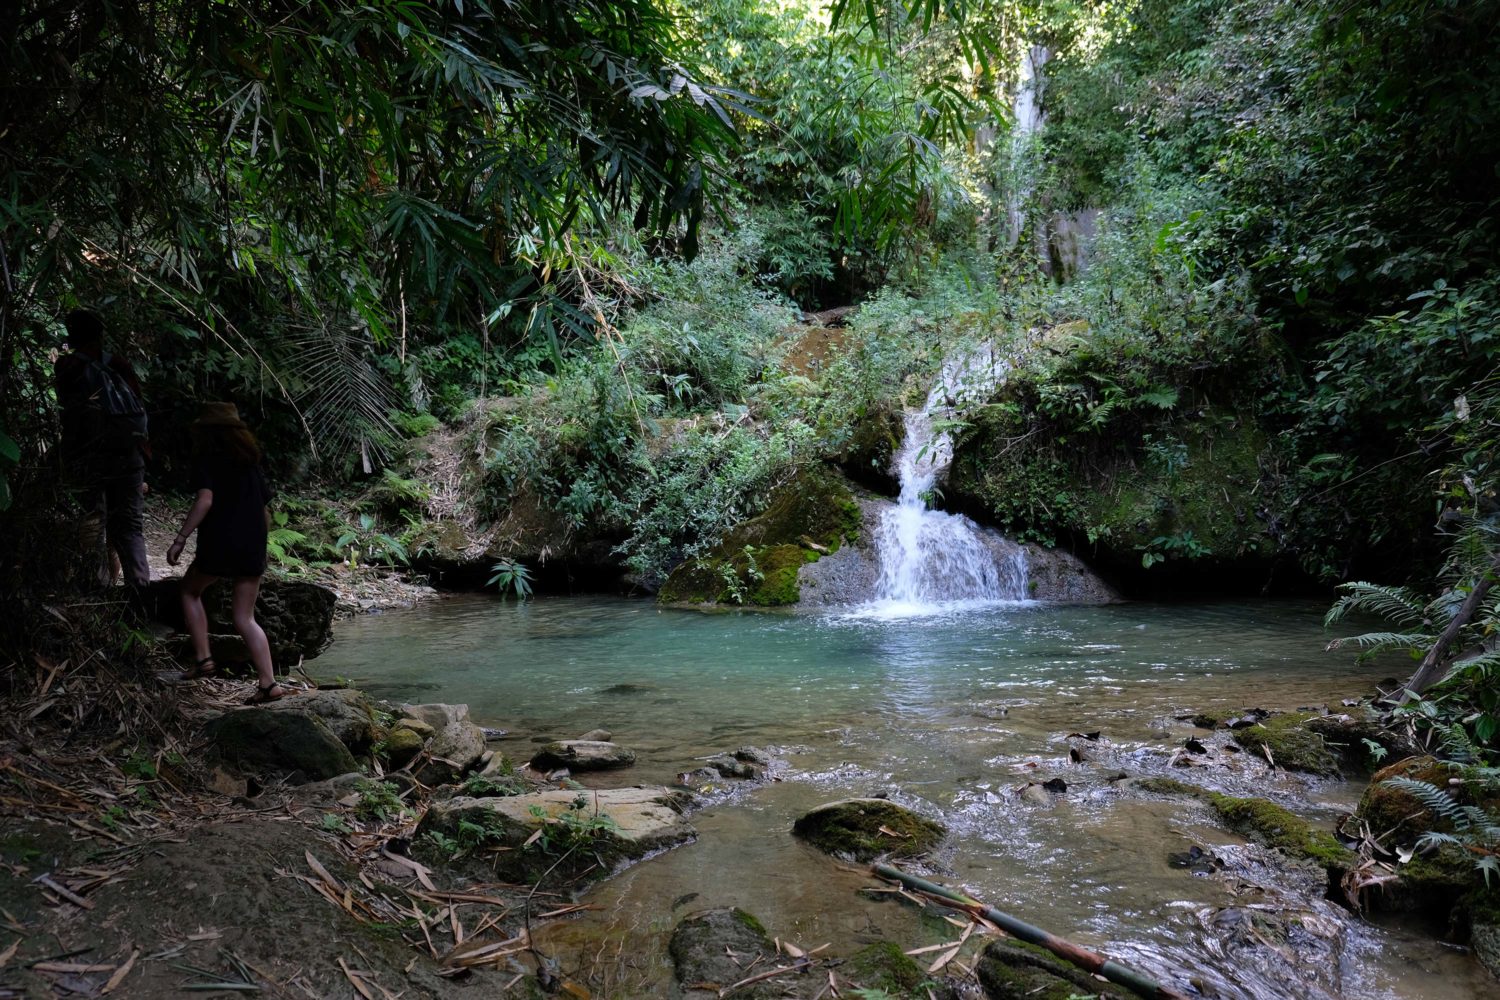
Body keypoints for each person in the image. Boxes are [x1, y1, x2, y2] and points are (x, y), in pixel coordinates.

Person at [165, 403, 285, 703]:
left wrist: (180, 538)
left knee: (190, 590)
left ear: (207, 432)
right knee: (245, 617)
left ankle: (204, 659)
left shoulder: (208, 460)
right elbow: (263, 509)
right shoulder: (251, 463)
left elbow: (205, 501)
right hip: (252, 542)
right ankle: (269, 684)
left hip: (220, 542)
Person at [55, 309, 151, 589]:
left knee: (92, 521)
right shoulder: (118, 364)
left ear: (72, 335)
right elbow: (138, 407)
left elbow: (68, 414)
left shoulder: (68, 366)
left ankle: (98, 590)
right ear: (100, 334)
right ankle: (141, 592)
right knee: (131, 526)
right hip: (130, 455)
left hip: (91, 455)